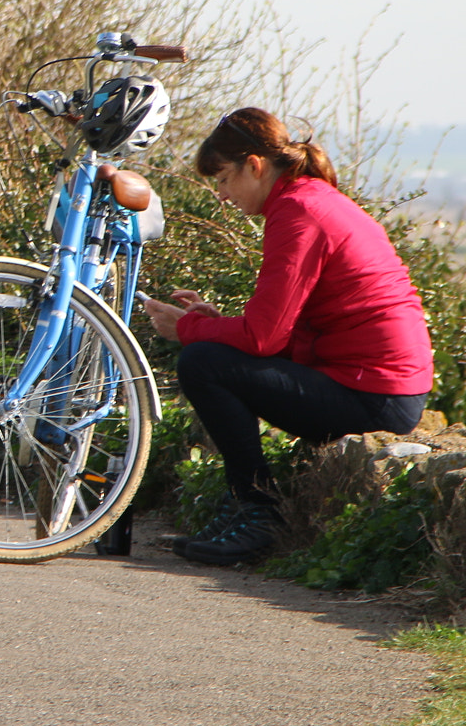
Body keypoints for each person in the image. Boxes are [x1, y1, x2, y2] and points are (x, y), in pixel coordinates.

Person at [138, 108, 433, 566]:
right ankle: (246, 506)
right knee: (212, 355)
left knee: (201, 363)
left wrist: (188, 328)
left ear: (254, 166)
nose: (220, 195)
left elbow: (263, 339)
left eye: (222, 179)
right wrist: (215, 323)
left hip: (375, 395)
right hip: (376, 384)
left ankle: (259, 514)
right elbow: (281, 327)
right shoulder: (307, 199)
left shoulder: (298, 213)